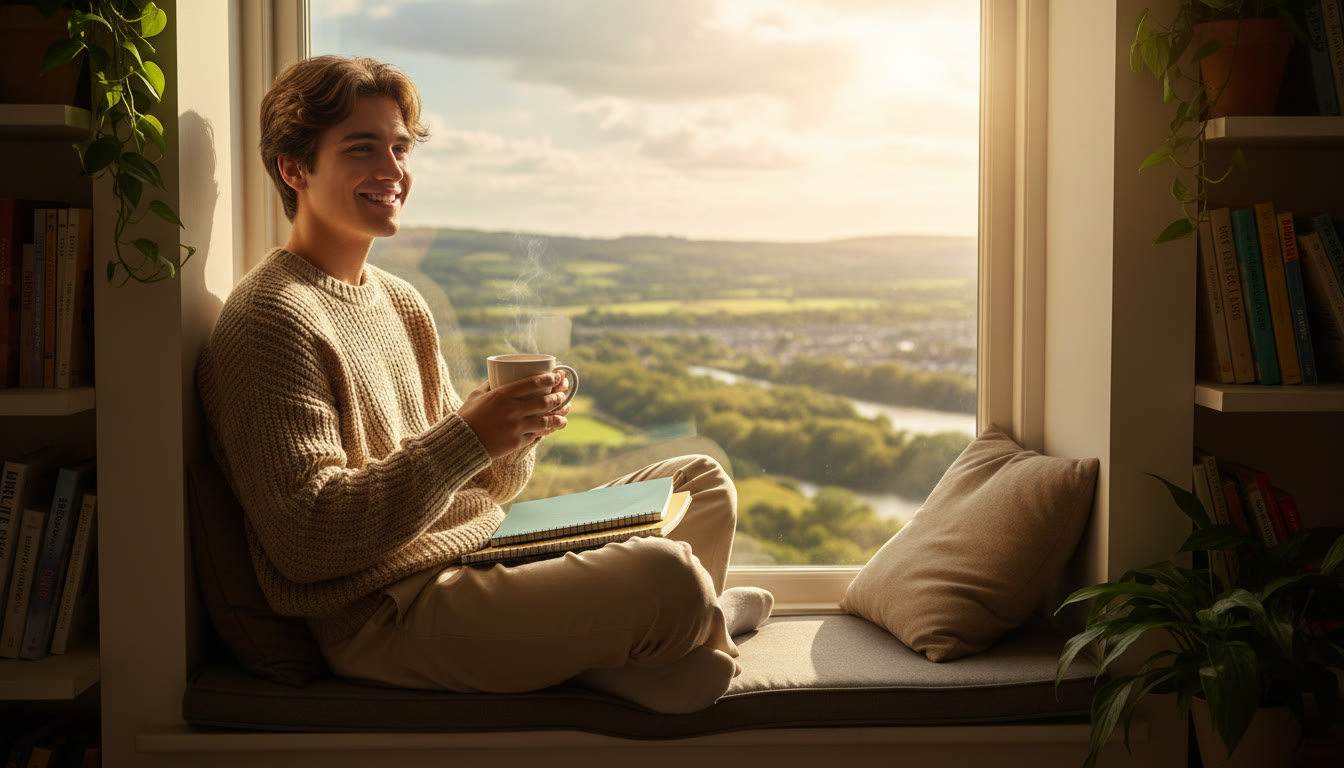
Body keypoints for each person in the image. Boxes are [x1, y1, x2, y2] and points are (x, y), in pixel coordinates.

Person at [196, 55, 773, 714]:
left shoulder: (398, 301)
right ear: (294, 169)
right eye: (362, 148)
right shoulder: (271, 316)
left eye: (400, 148)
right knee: (667, 575)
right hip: (391, 614)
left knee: (698, 481)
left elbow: (479, 488)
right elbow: (306, 541)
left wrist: (510, 436)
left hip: (477, 554)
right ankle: (682, 628)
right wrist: (468, 437)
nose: (392, 170)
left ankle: (630, 650)